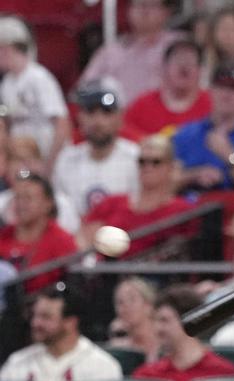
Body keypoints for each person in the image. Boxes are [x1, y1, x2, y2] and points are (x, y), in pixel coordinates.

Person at [80, 135, 194, 257]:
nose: (148, 167)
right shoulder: (112, 203)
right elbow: (84, 239)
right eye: (142, 162)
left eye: (156, 162)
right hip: (108, 266)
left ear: (170, 167)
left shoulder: (182, 211)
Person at [0, 284, 123, 381]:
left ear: (71, 322)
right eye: (35, 315)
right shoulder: (17, 362)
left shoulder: (101, 366)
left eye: (45, 317)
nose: (35, 323)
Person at [132, 285, 234, 381]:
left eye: (164, 320)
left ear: (190, 322)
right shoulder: (147, 375)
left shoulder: (223, 373)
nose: (157, 328)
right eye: (155, 321)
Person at [52, 82, 139, 220]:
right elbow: (61, 211)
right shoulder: (67, 159)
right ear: (80, 118)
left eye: (106, 113)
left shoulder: (136, 157)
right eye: (91, 112)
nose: (98, 121)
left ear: (119, 118)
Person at [78, 0, 184, 106]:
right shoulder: (112, 51)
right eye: (138, 5)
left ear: (167, 11)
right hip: (120, 113)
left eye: (151, 5)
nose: (144, 11)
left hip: (166, 112)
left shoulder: (179, 46)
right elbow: (84, 89)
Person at [0, 16, 70, 167]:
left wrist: (50, 164)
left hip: (48, 152)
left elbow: (62, 124)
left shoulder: (38, 77)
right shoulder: (7, 83)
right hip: (22, 156)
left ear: (6, 48)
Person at [0, 173, 78, 291]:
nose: (21, 204)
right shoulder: (3, 236)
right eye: (17, 197)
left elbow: (74, 288)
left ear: (48, 204)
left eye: (28, 198)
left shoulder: (62, 241)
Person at [123, 39, 212, 138]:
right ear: (164, 67)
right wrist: (143, 141)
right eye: (178, 61)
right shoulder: (142, 105)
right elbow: (122, 128)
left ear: (200, 70)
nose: (184, 67)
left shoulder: (212, 105)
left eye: (190, 62)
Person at [107, 277, 159, 363]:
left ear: (149, 305)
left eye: (132, 299)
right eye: (120, 302)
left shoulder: (165, 341)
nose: (125, 305)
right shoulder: (119, 345)